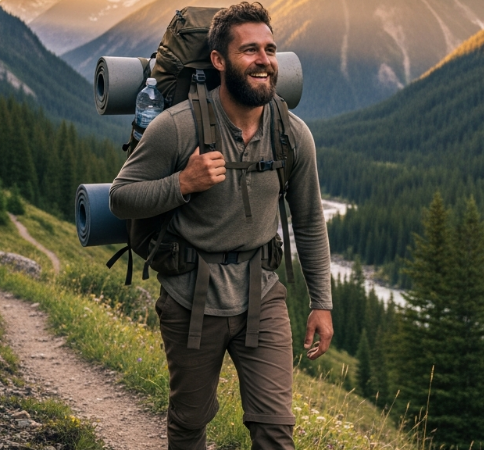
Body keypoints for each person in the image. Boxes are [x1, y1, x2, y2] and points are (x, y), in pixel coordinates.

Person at [109, 3, 333, 448]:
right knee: (190, 423)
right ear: (218, 60)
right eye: (249, 50)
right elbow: (121, 197)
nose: (264, 60)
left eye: (270, 49)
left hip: (262, 295)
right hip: (189, 296)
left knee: (275, 428)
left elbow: (308, 221)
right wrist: (182, 183)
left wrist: (321, 302)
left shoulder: (292, 134)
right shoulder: (176, 127)